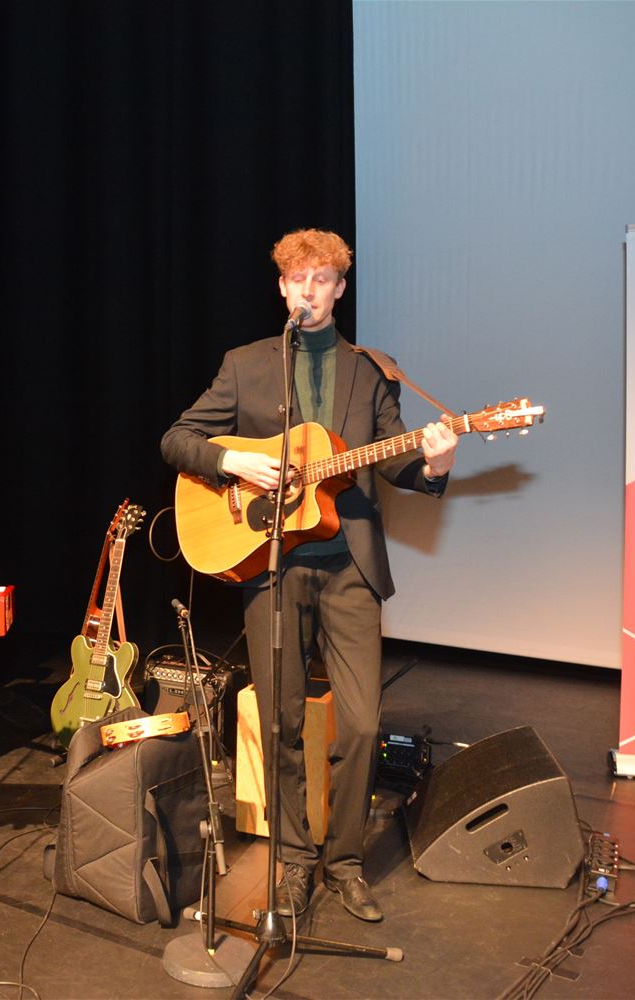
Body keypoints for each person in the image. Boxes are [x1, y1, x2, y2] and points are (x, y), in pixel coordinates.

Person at [161, 229, 457, 922]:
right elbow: (177, 439)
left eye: (322, 279)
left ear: (340, 288)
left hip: (350, 563)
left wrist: (436, 462)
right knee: (281, 722)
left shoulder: (370, 370)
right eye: (298, 279)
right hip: (272, 564)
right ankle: (294, 861)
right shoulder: (245, 365)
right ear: (282, 288)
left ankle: (345, 862)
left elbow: (395, 460)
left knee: (361, 726)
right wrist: (232, 462)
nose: (309, 290)